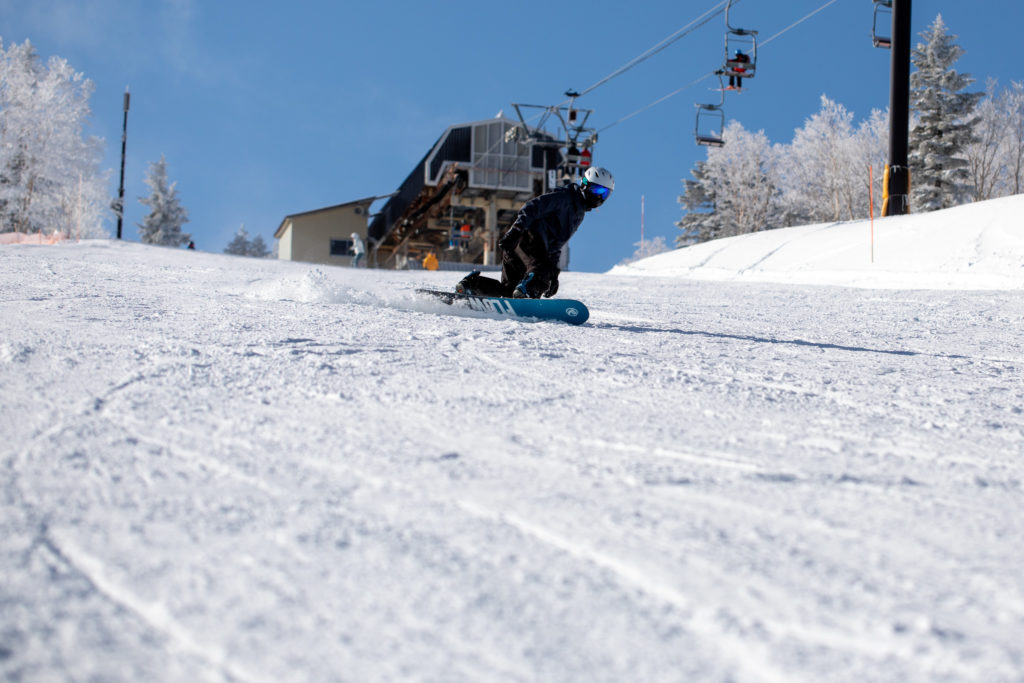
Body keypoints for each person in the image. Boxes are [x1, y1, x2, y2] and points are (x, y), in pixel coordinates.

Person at [455, 166, 614, 299]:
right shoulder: (566, 197)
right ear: (585, 184)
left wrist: (555, 273)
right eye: (597, 190)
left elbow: (556, 244)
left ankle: (472, 286)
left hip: (522, 246)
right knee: (541, 272)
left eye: (605, 193)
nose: (600, 197)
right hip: (527, 238)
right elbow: (532, 206)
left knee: (509, 291)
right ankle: (528, 293)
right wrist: (516, 231)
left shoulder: (578, 212)